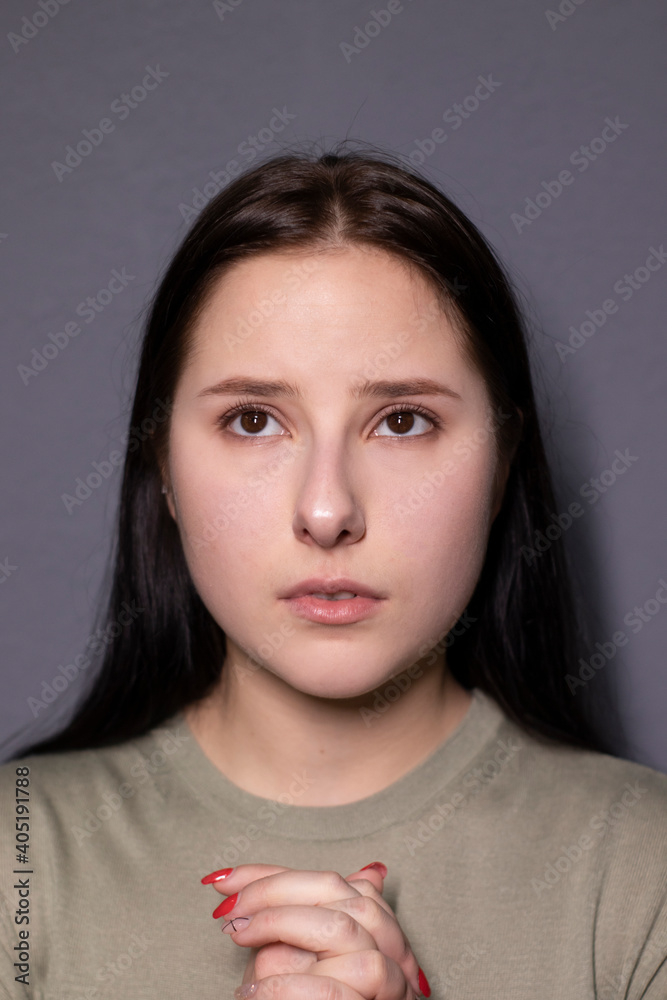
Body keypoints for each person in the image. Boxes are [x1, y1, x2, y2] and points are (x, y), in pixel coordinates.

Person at [1, 142, 665, 1000]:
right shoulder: (17, 859)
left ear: (501, 462)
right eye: (251, 420)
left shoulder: (642, 874)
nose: (326, 510)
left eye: (400, 421)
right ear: (160, 463)